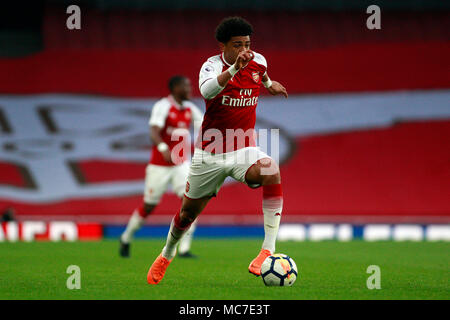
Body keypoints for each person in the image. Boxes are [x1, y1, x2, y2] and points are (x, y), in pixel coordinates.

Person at [146, 16, 288, 284]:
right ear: (222, 46)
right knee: (187, 214)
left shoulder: (258, 60)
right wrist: (234, 68)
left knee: (271, 170)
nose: (244, 51)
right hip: (210, 153)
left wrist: (270, 85)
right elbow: (208, 92)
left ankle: (267, 250)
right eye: (237, 45)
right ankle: (167, 253)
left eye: (247, 44)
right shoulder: (211, 66)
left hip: (244, 147)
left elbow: (263, 73)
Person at [119, 75, 204, 258]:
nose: (190, 89)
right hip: (160, 165)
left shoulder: (190, 108)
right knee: (149, 206)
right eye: (186, 86)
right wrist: (163, 147)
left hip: (181, 164)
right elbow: (153, 130)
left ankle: (184, 248)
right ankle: (126, 237)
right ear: (174, 88)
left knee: (191, 203)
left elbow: (206, 125)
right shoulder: (163, 106)